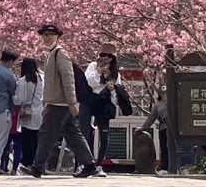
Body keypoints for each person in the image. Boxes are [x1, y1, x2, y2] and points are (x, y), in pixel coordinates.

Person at [19, 23, 98, 179]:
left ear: (58, 36)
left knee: (46, 134)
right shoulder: (52, 54)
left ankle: (37, 166)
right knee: (72, 133)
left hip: (59, 103)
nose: (47, 38)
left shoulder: (60, 54)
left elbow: (68, 79)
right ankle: (89, 164)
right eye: (45, 35)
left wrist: (72, 102)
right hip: (58, 102)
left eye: (51, 35)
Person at [86, 51, 132, 177]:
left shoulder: (115, 74)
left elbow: (118, 95)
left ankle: (99, 165)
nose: (105, 59)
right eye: (103, 56)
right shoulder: (93, 66)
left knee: (104, 136)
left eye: (108, 57)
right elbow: (89, 82)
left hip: (105, 106)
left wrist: (112, 91)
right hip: (91, 102)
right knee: (87, 134)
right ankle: (86, 164)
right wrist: (99, 71)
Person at [14, 57, 44, 169]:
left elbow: (19, 99)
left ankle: (28, 162)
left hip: (28, 112)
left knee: (27, 139)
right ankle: (38, 163)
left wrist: (12, 98)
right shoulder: (42, 78)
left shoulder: (23, 81)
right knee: (37, 139)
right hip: (40, 111)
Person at [140, 86, 171, 175]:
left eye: (166, 92)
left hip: (174, 130)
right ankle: (165, 167)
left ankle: (177, 166)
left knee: (173, 148)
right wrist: (143, 128)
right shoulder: (158, 105)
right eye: (162, 92)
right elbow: (151, 118)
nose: (164, 93)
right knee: (164, 149)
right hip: (163, 129)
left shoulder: (174, 101)